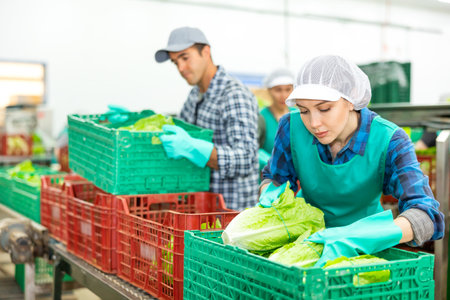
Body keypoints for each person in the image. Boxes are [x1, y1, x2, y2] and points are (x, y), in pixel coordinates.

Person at [259, 55, 444, 267]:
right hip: (304, 246)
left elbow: (427, 215)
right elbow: (275, 179)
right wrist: (269, 196)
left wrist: (361, 238)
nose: (314, 123)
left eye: (324, 109)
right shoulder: (290, 127)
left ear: (351, 100)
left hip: (365, 254)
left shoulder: (389, 139)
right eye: (303, 110)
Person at [155, 26, 259, 211]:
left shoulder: (233, 94)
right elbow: (178, 132)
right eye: (175, 62)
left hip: (231, 214)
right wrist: (135, 123)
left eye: (185, 58)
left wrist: (195, 149)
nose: (181, 68)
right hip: (203, 211)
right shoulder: (194, 95)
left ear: (205, 51)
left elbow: (246, 159)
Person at [258, 68, 295, 171]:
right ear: (269, 91)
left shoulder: (299, 115)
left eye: (288, 89)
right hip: (269, 177)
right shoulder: (261, 117)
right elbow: (253, 150)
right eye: (278, 90)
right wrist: (270, 162)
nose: (283, 95)